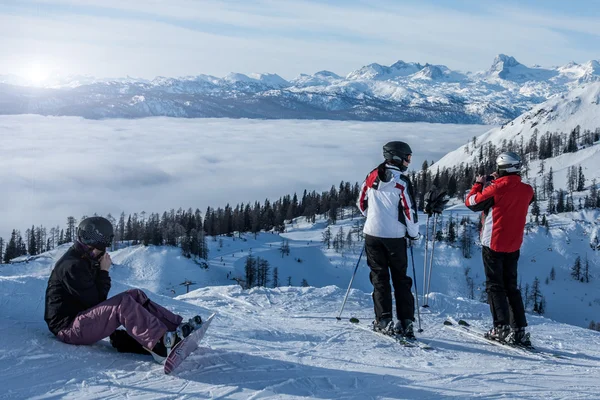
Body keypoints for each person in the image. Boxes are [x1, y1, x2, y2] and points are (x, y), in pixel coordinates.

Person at [44, 216, 202, 362]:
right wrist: (103, 272)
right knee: (122, 304)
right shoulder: (73, 265)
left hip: (79, 321)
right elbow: (96, 302)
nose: (105, 251)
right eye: (104, 246)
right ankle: (161, 345)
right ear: (93, 243)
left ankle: (177, 329)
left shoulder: (84, 258)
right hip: (68, 328)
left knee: (135, 295)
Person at [465, 151, 534, 346]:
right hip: (514, 244)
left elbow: (472, 202)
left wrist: (479, 184)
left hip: (493, 242)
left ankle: (501, 327)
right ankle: (520, 330)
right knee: (511, 287)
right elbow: (520, 197)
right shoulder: (528, 190)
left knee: (495, 286)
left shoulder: (496, 189)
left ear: (501, 168)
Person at [357, 141, 419, 338]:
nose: (409, 161)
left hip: (372, 235)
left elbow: (361, 202)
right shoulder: (401, 181)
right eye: (408, 157)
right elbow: (409, 211)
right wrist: (414, 233)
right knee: (400, 278)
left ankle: (383, 320)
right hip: (395, 237)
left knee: (379, 278)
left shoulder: (372, 175)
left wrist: (373, 217)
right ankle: (406, 321)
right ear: (398, 157)